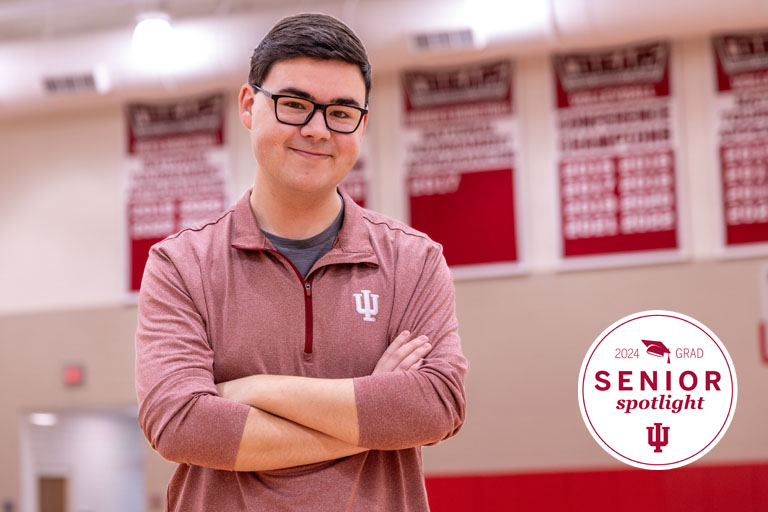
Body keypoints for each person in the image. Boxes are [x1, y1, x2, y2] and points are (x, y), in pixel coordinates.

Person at [135, 12, 467, 511]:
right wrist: (374, 409)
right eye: (294, 105)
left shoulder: (413, 261)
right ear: (249, 106)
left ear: (362, 125)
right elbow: (180, 425)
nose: (316, 129)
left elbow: (435, 406)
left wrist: (256, 389)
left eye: (340, 112)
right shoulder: (180, 265)